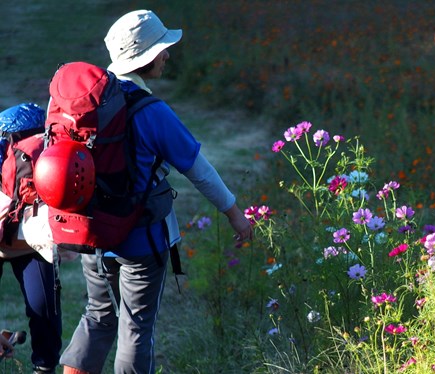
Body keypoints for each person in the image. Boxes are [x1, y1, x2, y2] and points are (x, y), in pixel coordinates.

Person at [60, 9, 253, 374]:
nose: (167, 54)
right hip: (140, 241)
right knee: (135, 330)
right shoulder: (152, 111)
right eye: (163, 47)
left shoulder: (84, 106)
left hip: (93, 234)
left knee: (98, 317)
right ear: (145, 57)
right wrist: (234, 214)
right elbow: (200, 172)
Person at [0, 104, 62, 374]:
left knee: (43, 308)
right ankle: (44, 366)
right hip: (31, 237)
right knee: (44, 308)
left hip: (21, 236)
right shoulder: (52, 152)